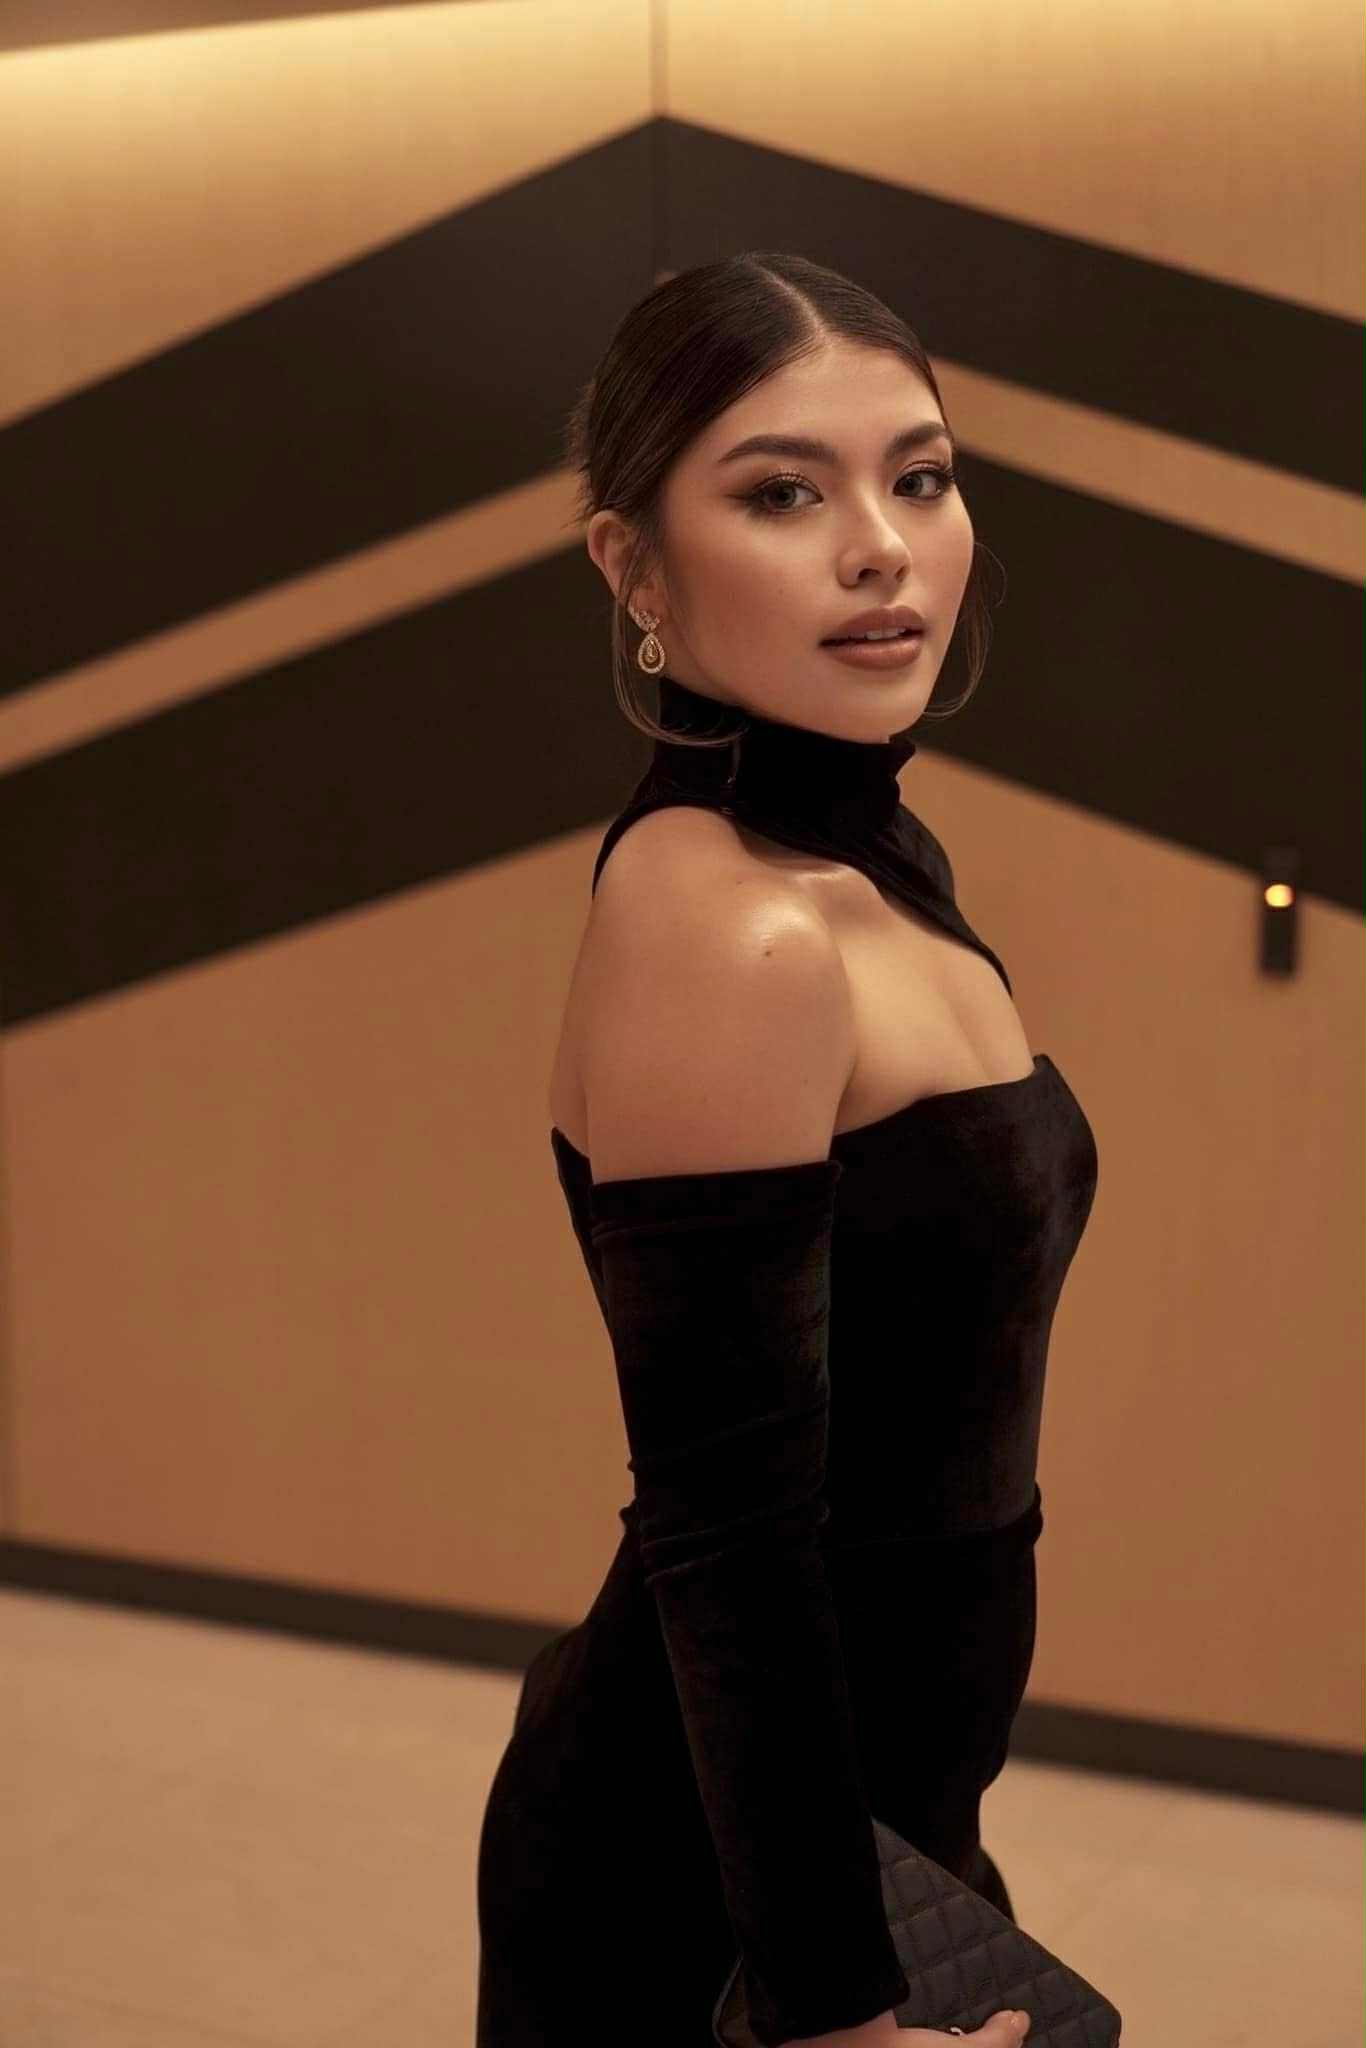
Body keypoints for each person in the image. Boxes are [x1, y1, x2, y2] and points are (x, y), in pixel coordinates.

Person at [474, 252, 1099, 2047]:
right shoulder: (729, 924)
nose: (881, 547)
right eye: (780, 493)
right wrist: (832, 2007)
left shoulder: (866, 858)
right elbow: (729, 1534)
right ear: (631, 566)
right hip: (718, 1875)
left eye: (919, 476)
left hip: (874, 1814)